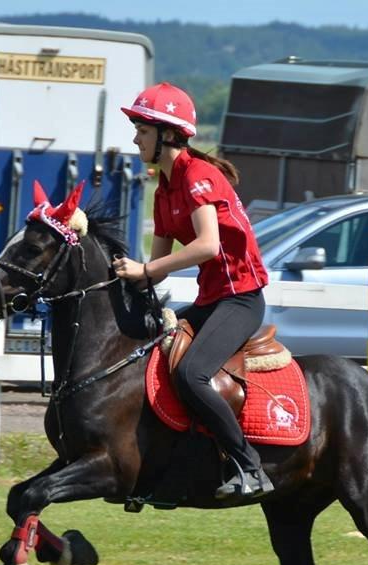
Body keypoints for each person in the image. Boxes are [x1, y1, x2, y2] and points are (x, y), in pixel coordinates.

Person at [113, 82, 273, 499]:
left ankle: (249, 467)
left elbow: (207, 246)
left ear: (167, 135)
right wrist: (126, 277)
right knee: (151, 357)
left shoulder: (199, 177)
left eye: (141, 130)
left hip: (241, 299)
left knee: (191, 372)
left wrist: (145, 268)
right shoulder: (164, 189)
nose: (135, 138)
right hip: (210, 299)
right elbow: (158, 271)